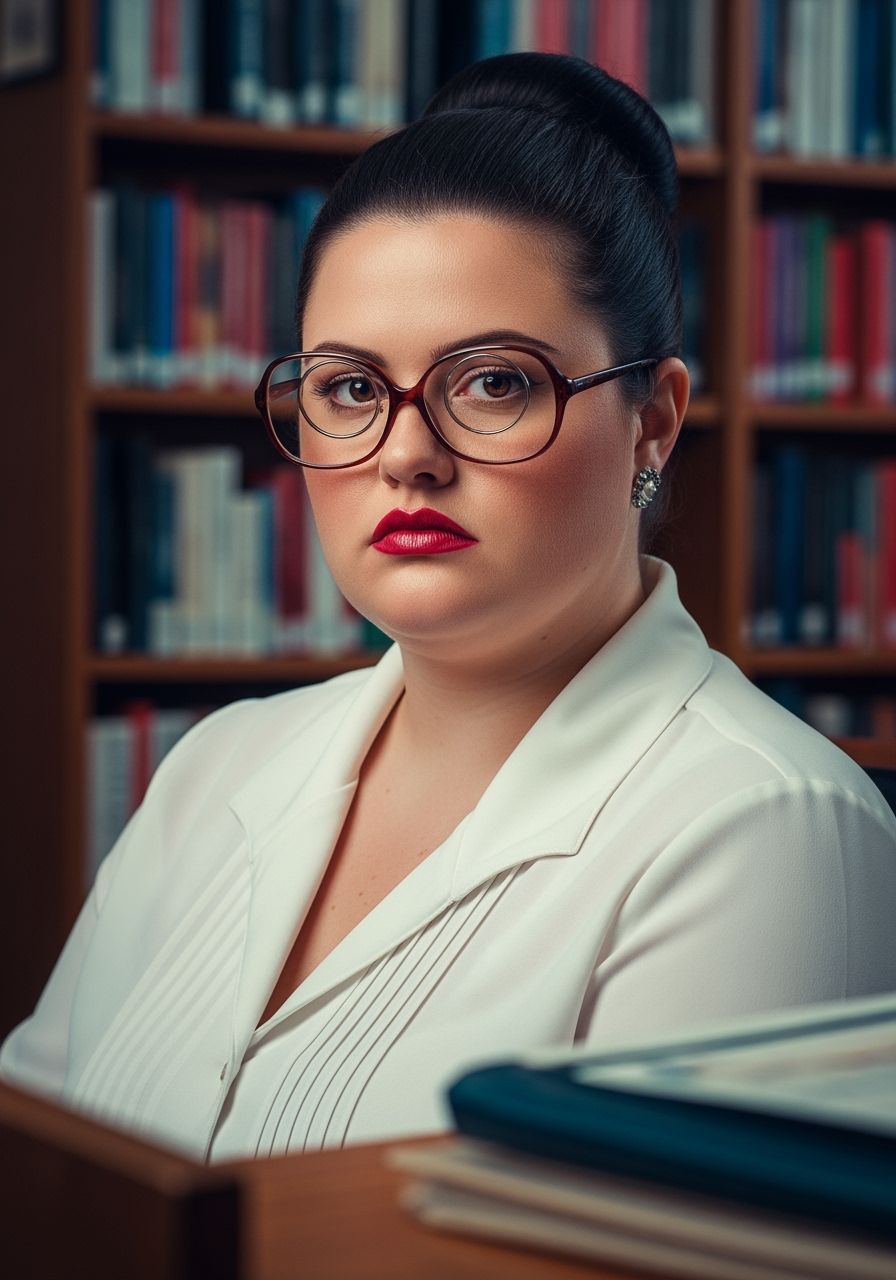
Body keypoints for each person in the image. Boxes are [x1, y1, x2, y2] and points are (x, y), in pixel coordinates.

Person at [2, 53, 895, 1163]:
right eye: (350, 388)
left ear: (652, 420)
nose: (406, 456)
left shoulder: (769, 827)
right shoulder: (214, 764)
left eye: (492, 381)